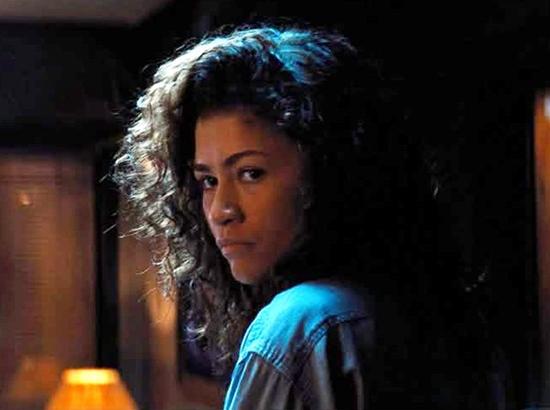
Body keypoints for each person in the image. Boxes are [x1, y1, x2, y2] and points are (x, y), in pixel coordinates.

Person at [113, 24, 512, 409]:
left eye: (251, 173)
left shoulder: (299, 325)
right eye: (208, 181)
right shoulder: (439, 317)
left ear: (326, 171)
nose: (221, 210)